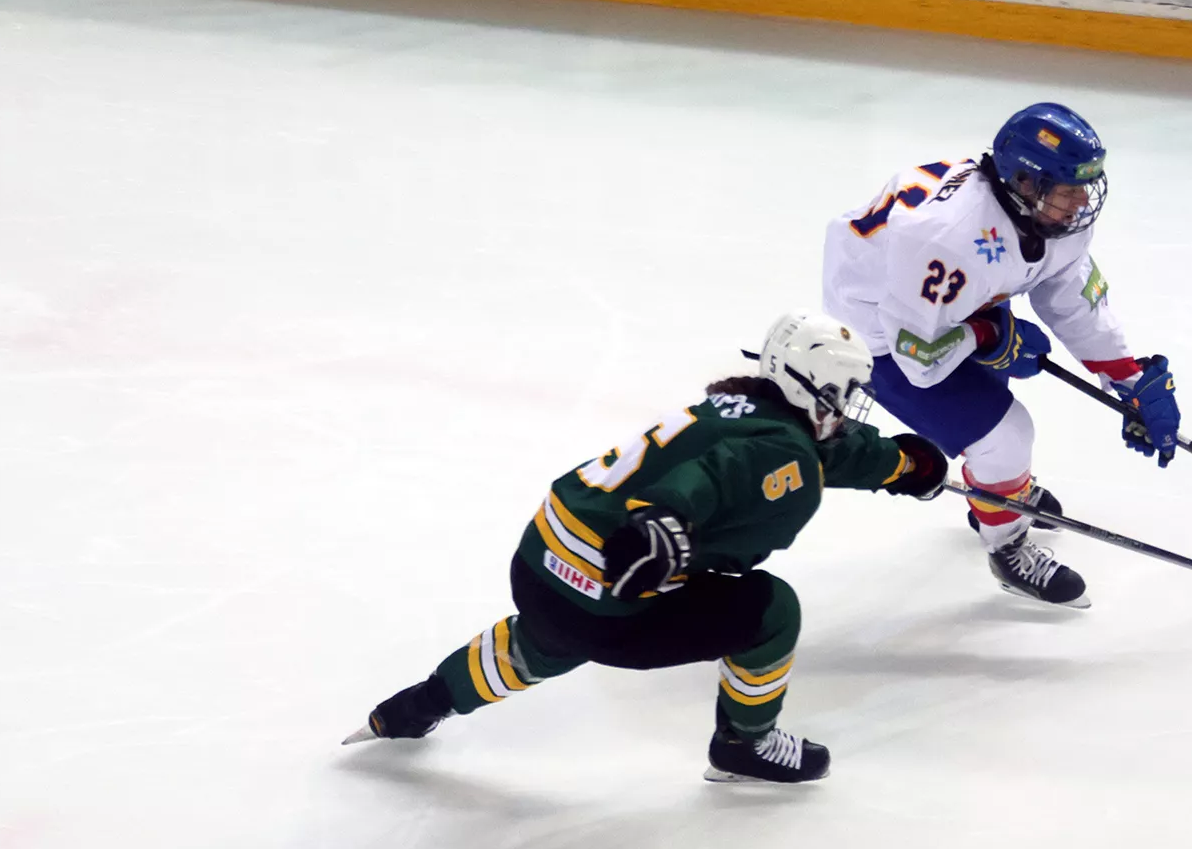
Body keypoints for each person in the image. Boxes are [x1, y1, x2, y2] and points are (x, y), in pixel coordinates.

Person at [343, 312, 948, 783]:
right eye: (844, 393)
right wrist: (663, 519)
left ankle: (418, 705)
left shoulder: (735, 407)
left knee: (546, 638)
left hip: (541, 564)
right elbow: (715, 477)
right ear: (813, 388)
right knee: (772, 611)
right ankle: (745, 744)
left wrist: (901, 465)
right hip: (619, 582)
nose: (846, 408)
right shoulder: (782, 453)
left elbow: (786, 454)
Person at [821, 102, 1181, 608]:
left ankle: (997, 494)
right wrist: (990, 336)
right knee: (1004, 437)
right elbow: (918, 356)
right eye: (1069, 188)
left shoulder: (1044, 214)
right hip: (878, 331)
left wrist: (1127, 376)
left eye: (1086, 185)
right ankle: (1006, 548)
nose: (1082, 200)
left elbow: (1070, 296)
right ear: (1026, 182)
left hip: (956, 301)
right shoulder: (946, 239)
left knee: (992, 420)